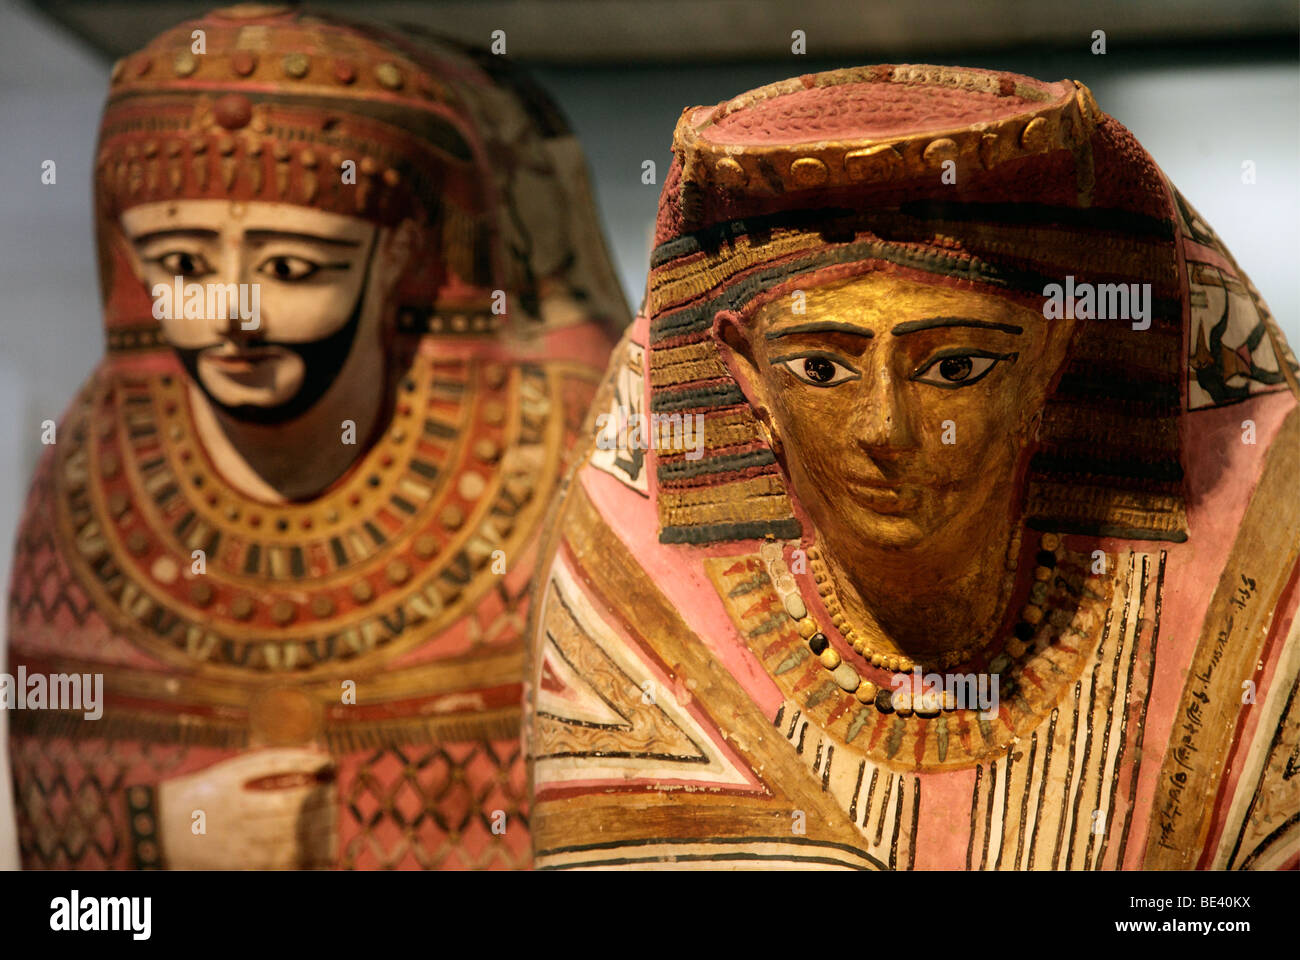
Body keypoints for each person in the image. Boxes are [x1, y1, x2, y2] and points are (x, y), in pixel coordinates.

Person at [525, 64, 1299, 870]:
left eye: (954, 368)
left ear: (1050, 361)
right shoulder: (633, 636)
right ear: (745, 374)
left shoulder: (1245, 618)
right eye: (823, 369)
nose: (885, 430)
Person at [7, 4, 626, 869]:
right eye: (181, 266)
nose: (234, 316)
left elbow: (620, 806)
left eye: (292, 269)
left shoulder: (553, 446)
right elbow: (55, 822)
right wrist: (163, 835)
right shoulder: (91, 471)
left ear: (402, 251)